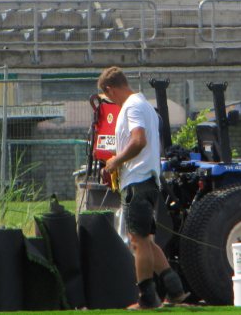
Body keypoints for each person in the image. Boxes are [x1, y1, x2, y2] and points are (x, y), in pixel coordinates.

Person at [98, 66, 189, 309]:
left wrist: (116, 161)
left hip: (137, 183)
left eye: (108, 98)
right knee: (146, 241)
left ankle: (147, 299)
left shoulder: (133, 107)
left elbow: (139, 141)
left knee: (137, 242)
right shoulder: (144, 105)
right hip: (146, 181)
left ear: (109, 89)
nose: (111, 103)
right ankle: (175, 289)